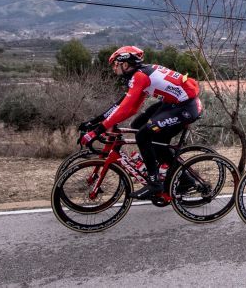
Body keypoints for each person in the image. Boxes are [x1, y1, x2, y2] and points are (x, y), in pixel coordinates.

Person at [79, 45, 203, 198]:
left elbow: (125, 109)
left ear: (125, 64)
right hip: (175, 104)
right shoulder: (140, 75)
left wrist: (97, 131)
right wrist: (95, 122)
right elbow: (126, 106)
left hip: (186, 107)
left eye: (115, 65)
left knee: (143, 135)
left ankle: (155, 183)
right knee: (138, 126)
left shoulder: (140, 77)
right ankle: (167, 169)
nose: (113, 68)